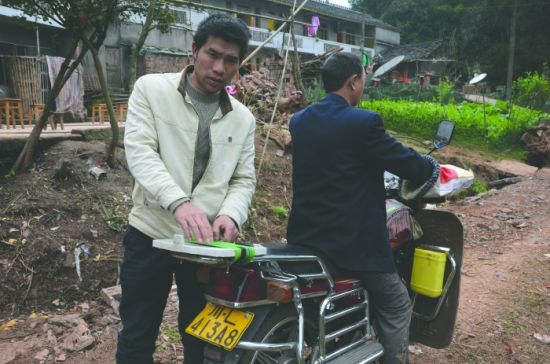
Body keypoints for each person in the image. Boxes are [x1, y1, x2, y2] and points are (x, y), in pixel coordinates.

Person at [117, 14, 256, 364]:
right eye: (212, 54)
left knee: (202, 336)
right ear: (194, 51)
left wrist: (230, 213)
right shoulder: (151, 89)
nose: (219, 67)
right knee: (138, 331)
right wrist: (178, 202)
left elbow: (243, 178)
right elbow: (140, 152)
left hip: (206, 244)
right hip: (151, 232)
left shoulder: (243, 118)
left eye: (231, 60)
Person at [287, 52, 438, 364]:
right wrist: (428, 165)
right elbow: (405, 162)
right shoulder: (364, 122)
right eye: (363, 80)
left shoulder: (299, 121)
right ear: (353, 81)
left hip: (305, 239)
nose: (363, 86)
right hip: (352, 245)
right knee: (396, 303)